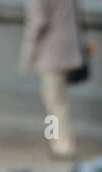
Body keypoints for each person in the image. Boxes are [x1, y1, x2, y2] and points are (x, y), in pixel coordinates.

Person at [19, 0, 83, 160]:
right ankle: (59, 142)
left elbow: (38, 21)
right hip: (67, 47)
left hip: (50, 51)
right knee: (58, 102)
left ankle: (59, 144)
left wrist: (28, 53)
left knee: (53, 103)